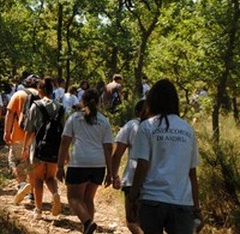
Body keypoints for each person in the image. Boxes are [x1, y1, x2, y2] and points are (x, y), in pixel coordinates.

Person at [129, 79, 204, 234]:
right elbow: (192, 173)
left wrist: (132, 198)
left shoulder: (147, 127)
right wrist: (196, 207)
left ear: (152, 100)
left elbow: (142, 166)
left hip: (152, 200)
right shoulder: (187, 130)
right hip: (182, 202)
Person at [56, 88, 113, 234]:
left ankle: (88, 223)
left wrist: (60, 165)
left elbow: (64, 142)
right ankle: (87, 229)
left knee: (74, 198)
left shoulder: (74, 118)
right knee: (88, 199)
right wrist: (110, 172)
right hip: (98, 165)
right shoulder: (104, 121)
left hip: (79, 163)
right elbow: (108, 148)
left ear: (83, 101)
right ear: (99, 102)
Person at [21, 77, 63, 219]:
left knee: (38, 179)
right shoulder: (60, 107)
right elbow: (64, 132)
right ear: (52, 91)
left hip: (38, 149)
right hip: (54, 149)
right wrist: (65, 153)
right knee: (50, 178)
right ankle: (55, 194)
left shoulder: (35, 106)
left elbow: (29, 130)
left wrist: (25, 147)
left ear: (40, 90)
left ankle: (38, 210)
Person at [3, 74, 40, 205]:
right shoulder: (43, 96)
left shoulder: (18, 94)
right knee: (31, 166)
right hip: (36, 137)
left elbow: (10, 114)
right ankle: (34, 194)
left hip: (18, 136)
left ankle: (22, 185)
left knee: (14, 161)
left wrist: (7, 132)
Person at [112, 100, 145, 234]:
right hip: (155, 180)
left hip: (133, 177)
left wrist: (114, 175)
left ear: (136, 112)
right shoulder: (159, 127)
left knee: (132, 220)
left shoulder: (131, 125)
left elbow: (117, 154)